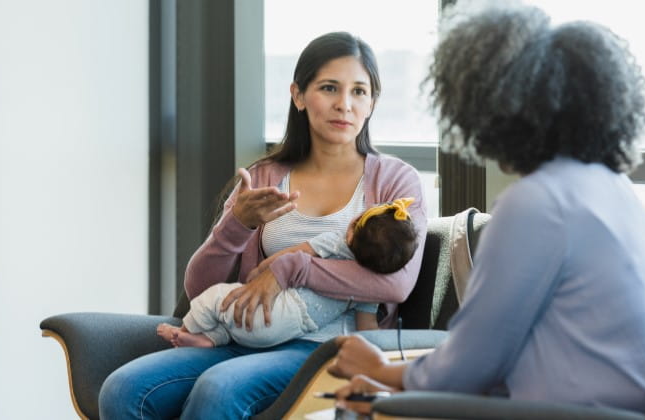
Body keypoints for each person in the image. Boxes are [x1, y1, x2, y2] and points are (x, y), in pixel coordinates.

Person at [327, 1, 645, 416]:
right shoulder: (612, 188)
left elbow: (469, 363)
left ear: (499, 114)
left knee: (351, 406)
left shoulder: (537, 203)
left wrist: (381, 370)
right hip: (632, 409)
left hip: (574, 412)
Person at [98, 31, 427, 420]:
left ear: (372, 102)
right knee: (122, 391)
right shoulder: (265, 177)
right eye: (329, 88)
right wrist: (236, 225)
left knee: (219, 391)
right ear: (299, 95)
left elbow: (396, 283)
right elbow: (200, 288)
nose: (345, 105)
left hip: (324, 347)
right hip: (243, 334)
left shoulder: (395, 182)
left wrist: (294, 267)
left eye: (359, 91)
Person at [155, 198, 419, 349]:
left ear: (351, 229)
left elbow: (295, 254)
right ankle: (209, 340)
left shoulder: (336, 242)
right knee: (234, 322)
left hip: (278, 310)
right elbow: (367, 328)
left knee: (216, 298)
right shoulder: (369, 290)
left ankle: (186, 329)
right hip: (290, 330)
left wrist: (262, 270)